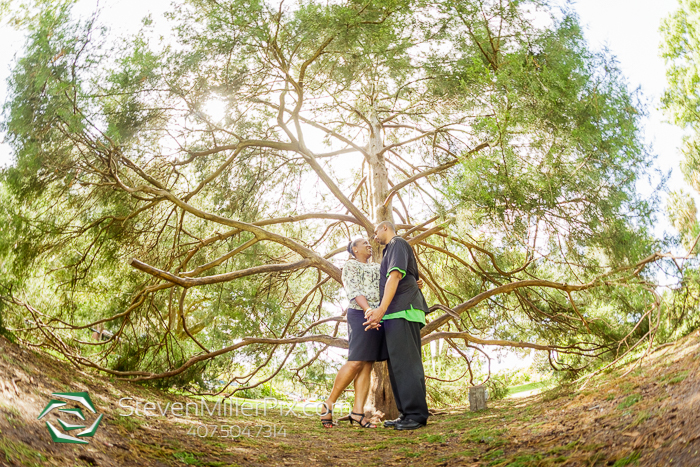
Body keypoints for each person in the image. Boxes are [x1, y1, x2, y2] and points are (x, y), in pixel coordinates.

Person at [363, 220, 430, 430]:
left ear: (385, 228)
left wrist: (380, 310)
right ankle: (405, 414)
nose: (374, 237)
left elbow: (395, 276)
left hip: (404, 310)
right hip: (394, 314)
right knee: (398, 366)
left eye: (375, 232)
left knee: (408, 364)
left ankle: (417, 415)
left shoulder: (398, 243)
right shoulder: (390, 251)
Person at [320, 238, 385, 428]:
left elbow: (389, 283)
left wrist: (415, 283)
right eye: (364, 243)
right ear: (354, 249)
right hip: (360, 313)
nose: (368, 244)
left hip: (378, 316)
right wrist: (368, 311)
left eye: (368, 242)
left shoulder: (376, 267)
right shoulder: (350, 265)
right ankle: (328, 405)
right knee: (356, 360)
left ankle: (357, 413)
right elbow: (354, 290)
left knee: (367, 364)